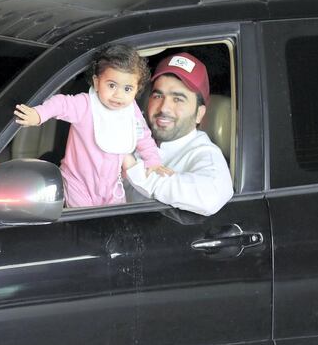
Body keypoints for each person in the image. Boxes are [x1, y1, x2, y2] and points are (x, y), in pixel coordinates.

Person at [14, 44, 170, 208]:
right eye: (111, 85)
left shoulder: (131, 111)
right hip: (77, 183)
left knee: (112, 222)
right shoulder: (86, 105)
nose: (118, 95)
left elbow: (143, 136)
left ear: (137, 89)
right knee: (83, 223)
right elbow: (61, 104)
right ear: (96, 82)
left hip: (112, 186)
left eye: (127, 88)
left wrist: (153, 161)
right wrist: (39, 114)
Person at [123, 52, 234, 216]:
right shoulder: (136, 137)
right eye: (158, 95)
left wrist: (133, 168)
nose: (164, 108)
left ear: (199, 114)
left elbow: (211, 196)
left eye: (178, 99)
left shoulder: (205, 154)